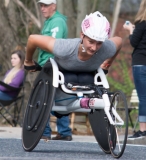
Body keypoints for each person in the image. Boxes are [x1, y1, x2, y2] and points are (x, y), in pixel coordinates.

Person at [24, 11, 122, 139]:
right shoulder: (65, 47)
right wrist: (28, 61)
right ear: (82, 35)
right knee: (64, 92)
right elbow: (33, 39)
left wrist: (107, 63)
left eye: (99, 43)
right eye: (91, 41)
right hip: (62, 78)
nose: (94, 47)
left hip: (86, 79)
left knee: (89, 79)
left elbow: (119, 41)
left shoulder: (106, 48)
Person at [37, 0, 72, 141]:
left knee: (44, 98)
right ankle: (64, 132)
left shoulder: (57, 21)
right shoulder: (50, 21)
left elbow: (53, 45)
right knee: (57, 99)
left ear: (54, 6)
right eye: (41, 5)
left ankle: (45, 132)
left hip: (52, 65)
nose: (42, 8)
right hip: (51, 64)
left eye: (45, 5)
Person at [123, 0, 146, 139]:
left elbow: (133, 42)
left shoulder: (142, 23)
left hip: (140, 64)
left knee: (143, 97)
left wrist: (131, 30)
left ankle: (143, 130)